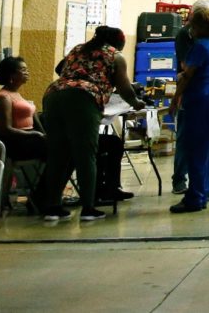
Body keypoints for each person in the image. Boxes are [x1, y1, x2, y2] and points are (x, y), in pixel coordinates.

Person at [40, 27, 147, 222]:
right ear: (119, 42)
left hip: (53, 96)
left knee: (58, 154)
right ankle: (88, 207)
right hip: (83, 99)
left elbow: (59, 69)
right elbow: (125, 88)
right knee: (85, 153)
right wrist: (136, 103)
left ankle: (52, 207)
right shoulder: (115, 56)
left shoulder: (78, 49)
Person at [169, 7, 209, 213]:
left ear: (199, 26)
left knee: (195, 147)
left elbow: (187, 75)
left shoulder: (200, 46)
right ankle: (202, 191)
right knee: (206, 146)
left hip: (199, 95)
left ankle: (195, 197)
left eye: (192, 24)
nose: (189, 29)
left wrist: (175, 98)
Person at [0, 57, 46, 162]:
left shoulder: (16, 94)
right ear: (12, 74)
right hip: (18, 144)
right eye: (23, 70)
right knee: (63, 150)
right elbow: (6, 129)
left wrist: (44, 134)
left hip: (30, 139)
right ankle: (49, 179)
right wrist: (36, 134)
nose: (27, 72)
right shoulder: (4, 98)